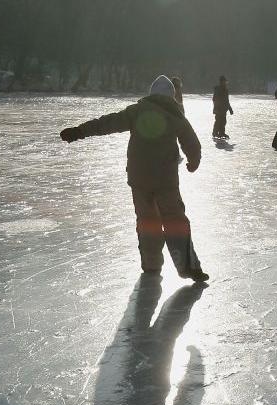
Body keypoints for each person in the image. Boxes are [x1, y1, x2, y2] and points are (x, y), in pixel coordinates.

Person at [59, 75, 209, 283]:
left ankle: (151, 264)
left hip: (139, 180)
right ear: (171, 96)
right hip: (165, 181)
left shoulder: (137, 111)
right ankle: (188, 266)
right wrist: (193, 162)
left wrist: (79, 131)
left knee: (147, 221)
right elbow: (193, 144)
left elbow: (107, 123)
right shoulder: (176, 116)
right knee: (175, 220)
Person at [212, 75, 234, 139]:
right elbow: (214, 99)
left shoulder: (225, 90)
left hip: (224, 110)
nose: (225, 83)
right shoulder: (218, 89)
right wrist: (217, 107)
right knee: (218, 121)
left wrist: (230, 109)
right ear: (221, 82)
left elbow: (227, 100)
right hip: (218, 109)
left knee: (223, 121)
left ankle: (222, 133)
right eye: (224, 82)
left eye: (226, 82)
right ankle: (215, 133)